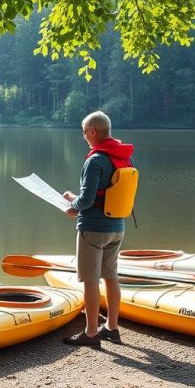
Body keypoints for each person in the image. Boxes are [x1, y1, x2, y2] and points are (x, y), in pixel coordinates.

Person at [61, 111, 135, 347]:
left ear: (93, 132)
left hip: (93, 229)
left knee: (91, 281)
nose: (84, 137)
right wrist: (78, 200)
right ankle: (112, 328)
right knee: (111, 276)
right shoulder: (123, 157)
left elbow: (87, 201)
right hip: (117, 228)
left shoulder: (95, 160)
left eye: (84, 133)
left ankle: (91, 332)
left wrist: (71, 203)